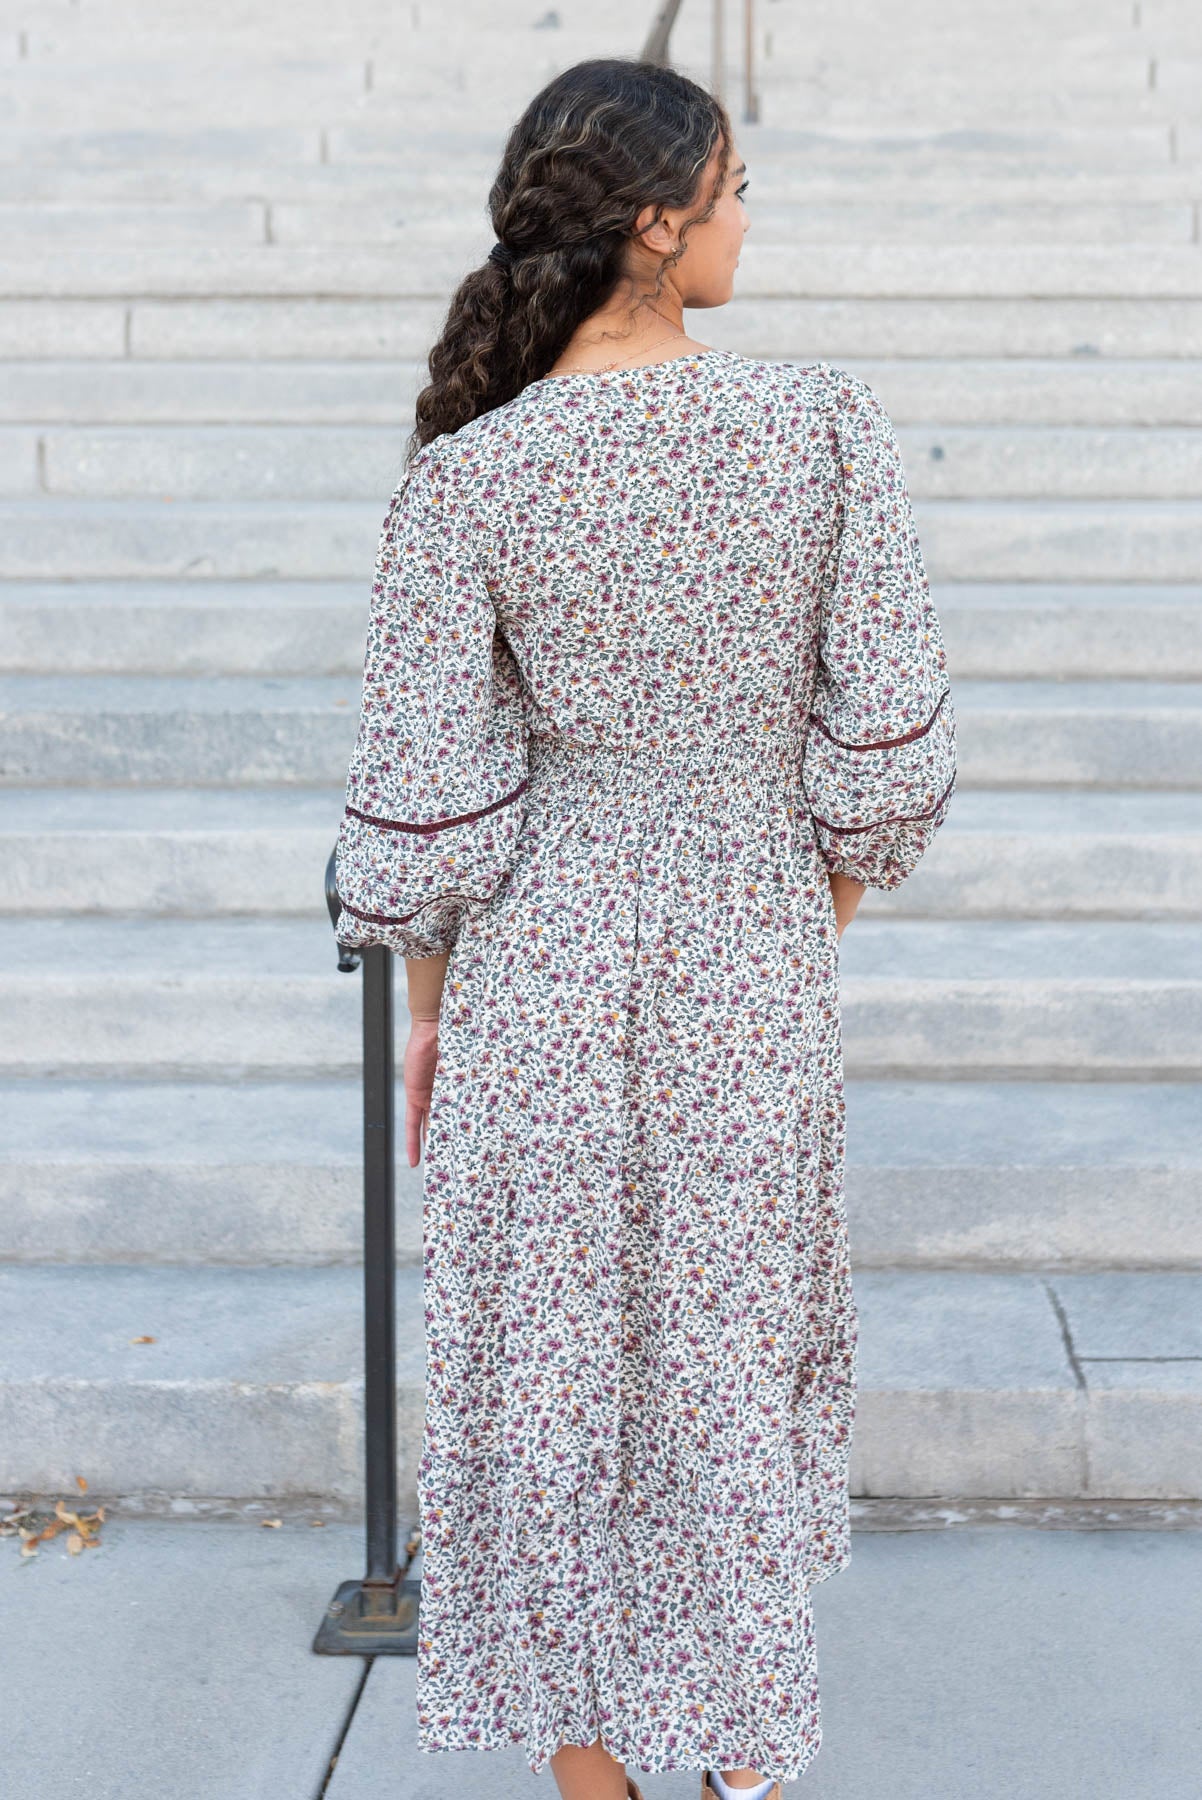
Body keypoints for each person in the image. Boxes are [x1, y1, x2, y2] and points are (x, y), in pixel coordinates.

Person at [333, 54, 957, 1800]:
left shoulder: (469, 477)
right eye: (736, 187)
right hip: (745, 962)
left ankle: (594, 1781)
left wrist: (432, 1018)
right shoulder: (822, 423)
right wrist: (798, 923)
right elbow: (891, 744)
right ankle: (739, 1764)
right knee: (723, 1376)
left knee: (551, 1400)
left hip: (538, 970)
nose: (751, 215)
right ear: (656, 221)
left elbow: (427, 809)